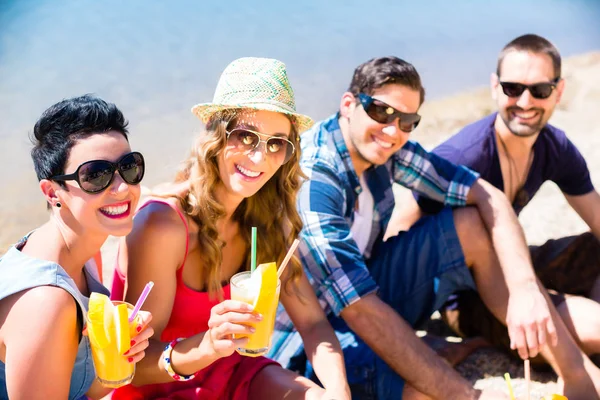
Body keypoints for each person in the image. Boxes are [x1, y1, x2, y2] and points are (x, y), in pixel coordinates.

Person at [268, 55, 600, 400]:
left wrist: (525, 289)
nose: (393, 130)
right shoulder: (316, 178)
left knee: (471, 223)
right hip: (309, 339)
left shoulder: (385, 146)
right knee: (422, 389)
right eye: (381, 111)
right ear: (349, 104)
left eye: (408, 120)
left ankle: (579, 374)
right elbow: (359, 308)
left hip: (364, 295)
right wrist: (466, 394)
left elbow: (487, 195)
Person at [110, 57, 350, 399]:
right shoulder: (163, 226)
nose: (259, 157)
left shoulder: (268, 224)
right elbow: (132, 368)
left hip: (235, 377)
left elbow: (312, 324)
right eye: (246, 135)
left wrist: (338, 390)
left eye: (276, 142)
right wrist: (208, 345)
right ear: (217, 136)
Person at [407, 34, 600, 368]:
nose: (525, 102)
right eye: (513, 88)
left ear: (559, 91)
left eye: (539, 90)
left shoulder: (555, 147)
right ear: (495, 87)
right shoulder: (461, 157)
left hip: (517, 264)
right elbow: (400, 235)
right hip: (467, 297)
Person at [0, 95, 154, 400]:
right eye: (95, 175)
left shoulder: (78, 248)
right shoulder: (46, 302)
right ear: (52, 192)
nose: (123, 187)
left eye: (129, 166)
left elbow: (79, 390)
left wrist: (118, 358)